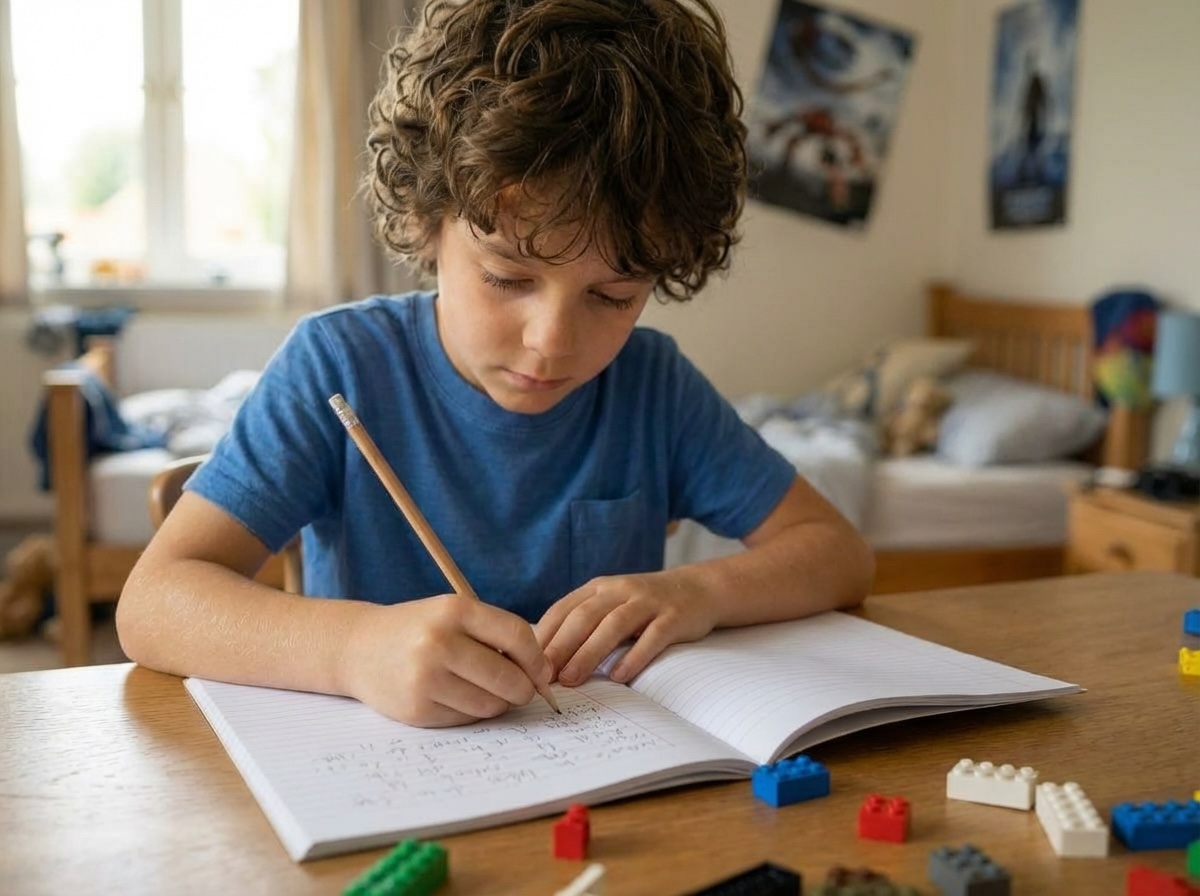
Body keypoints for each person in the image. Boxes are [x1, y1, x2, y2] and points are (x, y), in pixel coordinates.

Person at [116, 0, 874, 729]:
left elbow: (837, 554)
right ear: (426, 221)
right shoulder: (340, 366)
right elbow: (153, 604)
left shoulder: (654, 388)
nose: (552, 341)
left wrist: (697, 591)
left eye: (612, 296)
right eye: (509, 278)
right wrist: (352, 650)